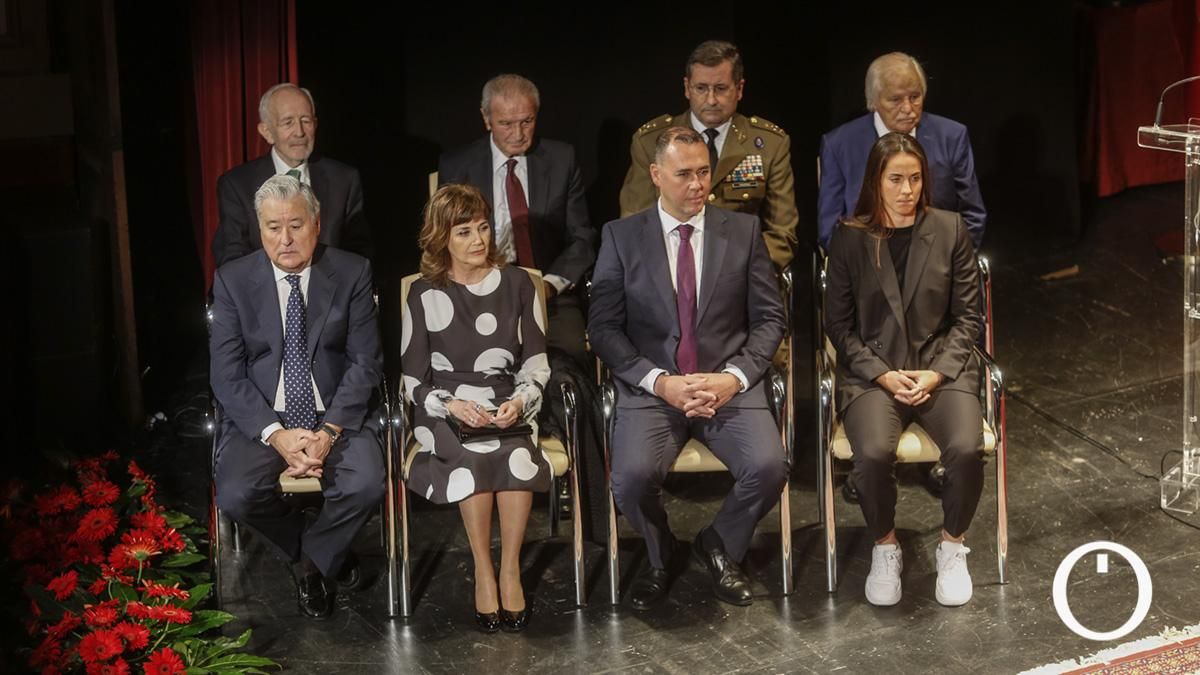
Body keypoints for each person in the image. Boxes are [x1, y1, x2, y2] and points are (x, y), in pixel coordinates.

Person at [589, 127, 787, 609]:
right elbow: (604, 329)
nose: (698, 184)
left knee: (769, 466)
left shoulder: (741, 232)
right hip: (655, 389)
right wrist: (659, 382)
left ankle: (719, 544)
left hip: (728, 385)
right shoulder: (621, 237)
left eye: (704, 172)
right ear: (657, 176)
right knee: (631, 479)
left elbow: (769, 318)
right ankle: (661, 556)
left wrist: (733, 377)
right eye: (684, 174)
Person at [210, 175, 384, 620]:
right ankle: (324, 554)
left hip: (335, 415)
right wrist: (276, 434)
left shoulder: (351, 272)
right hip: (264, 420)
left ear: (317, 224)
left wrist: (327, 432)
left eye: (295, 225)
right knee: (235, 493)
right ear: (259, 228)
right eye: (272, 227)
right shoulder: (232, 281)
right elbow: (227, 376)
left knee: (365, 484)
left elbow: (365, 363)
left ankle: (309, 561)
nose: (284, 239)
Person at [823, 132, 984, 607]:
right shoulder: (850, 237)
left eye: (915, 178)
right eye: (896, 179)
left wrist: (936, 373)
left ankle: (953, 546)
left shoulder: (951, 229)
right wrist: (881, 374)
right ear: (877, 181)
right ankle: (885, 546)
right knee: (871, 452)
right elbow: (838, 325)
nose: (907, 189)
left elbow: (969, 318)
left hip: (940, 371)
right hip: (876, 375)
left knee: (966, 448)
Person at [401, 184, 552, 633]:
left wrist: (520, 401)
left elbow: (537, 363)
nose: (478, 240)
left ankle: (510, 569)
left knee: (515, 454)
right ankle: (483, 571)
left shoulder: (518, 283)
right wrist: (450, 405)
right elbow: (412, 380)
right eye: (464, 231)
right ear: (442, 237)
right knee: (472, 455)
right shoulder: (423, 292)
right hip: (445, 405)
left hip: (504, 398)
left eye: (483, 228)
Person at [437, 74, 595, 372]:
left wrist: (548, 285)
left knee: (569, 359)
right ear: (486, 119)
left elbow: (581, 238)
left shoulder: (562, 159)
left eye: (526, 121)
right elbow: (446, 241)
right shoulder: (457, 166)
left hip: (550, 297)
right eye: (505, 124)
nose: (518, 133)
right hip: (480, 295)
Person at [619, 40, 798, 271]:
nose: (711, 100)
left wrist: (735, 269)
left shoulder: (770, 145)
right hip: (671, 272)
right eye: (701, 88)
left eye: (721, 88)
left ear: (740, 89)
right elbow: (634, 224)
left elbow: (782, 234)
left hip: (743, 275)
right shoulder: (650, 143)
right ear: (687, 88)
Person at [818, 52, 986, 250]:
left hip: (939, 263)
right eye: (895, 99)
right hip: (866, 266)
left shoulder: (952, 137)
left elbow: (972, 215)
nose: (908, 108)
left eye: (915, 97)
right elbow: (830, 230)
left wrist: (952, 261)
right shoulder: (839, 144)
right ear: (873, 102)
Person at [213, 83, 373, 268]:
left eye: (306, 121)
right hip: (265, 292)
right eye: (288, 122)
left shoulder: (344, 180)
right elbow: (232, 256)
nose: (299, 132)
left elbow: (359, 252)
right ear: (266, 132)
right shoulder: (237, 185)